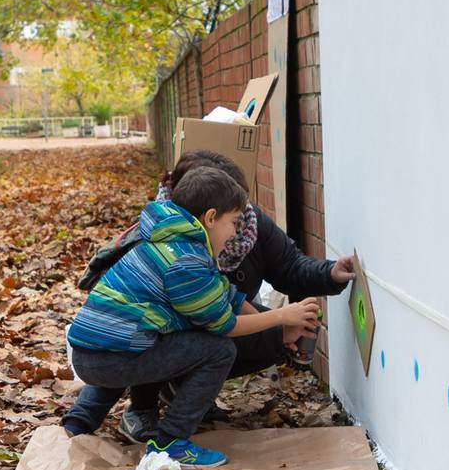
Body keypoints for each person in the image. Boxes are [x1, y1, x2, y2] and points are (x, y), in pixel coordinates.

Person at [83, 149, 357, 444]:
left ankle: (85, 421)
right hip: (135, 345)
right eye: (233, 220)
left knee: (165, 342)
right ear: (210, 214)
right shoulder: (183, 255)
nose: (237, 229)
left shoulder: (187, 228)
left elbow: (243, 290)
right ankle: (163, 432)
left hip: (109, 347)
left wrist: (328, 274)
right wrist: (279, 318)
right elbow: (222, 323)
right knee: (204, 348)